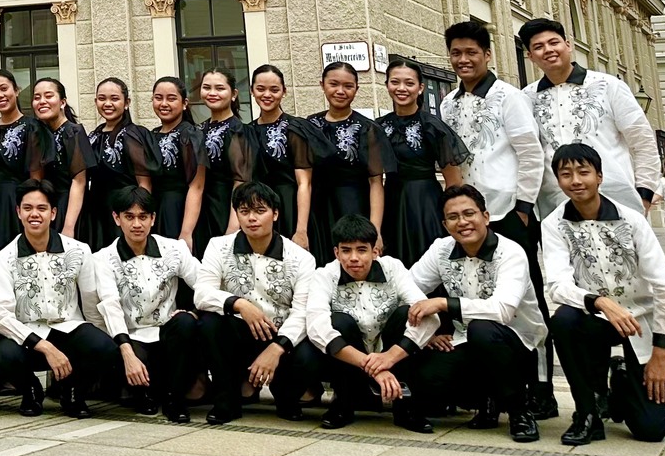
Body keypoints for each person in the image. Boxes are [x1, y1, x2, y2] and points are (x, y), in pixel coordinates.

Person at [442, 19, 554, 416]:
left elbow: (531, 152)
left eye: (471, 52)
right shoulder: (448, 103)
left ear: (487, 55)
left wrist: (524, 208)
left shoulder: (509, 97)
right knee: (477, 299)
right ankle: (490, 388)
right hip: (467, 217)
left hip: (508, 213)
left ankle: (541, 388)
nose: (463, 59)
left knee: (528, 301)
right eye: (456, 53)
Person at [541, 141, 665, 445]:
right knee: (563, 321)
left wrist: (661, 352)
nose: (576, 181)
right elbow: (558, 285)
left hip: (640, 319)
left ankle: (620, 381)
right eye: (566, 174)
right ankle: (587, 411)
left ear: (599, 176)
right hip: (594, 318)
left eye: (583, 172)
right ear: (558, 180)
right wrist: (599, 302)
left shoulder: (631, 220)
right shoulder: (553, 224)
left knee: (651, 430)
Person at [405, 184, 544, 442]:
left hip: (514, 341)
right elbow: (407, 288)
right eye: (453, 217)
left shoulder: (510, 252)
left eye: (469, 214)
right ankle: (483, 401)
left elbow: (502, 310)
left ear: (486, 216)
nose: (463, 222)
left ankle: (519, 411)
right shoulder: (441, 249)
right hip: (465, 340)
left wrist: (443, 304)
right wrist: (430, 331)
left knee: (482, 328)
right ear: (445, 224)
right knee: (429, 379)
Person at [0, 180, 122, 418]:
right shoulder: (3, 257)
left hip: (68, 328)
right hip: (27, 335)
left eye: (41, 208)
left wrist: (101, 341)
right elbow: (1, 316)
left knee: (105, 348)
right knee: (0, 355)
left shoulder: (78, 251)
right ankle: (30, 390)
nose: (34, 214)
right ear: (18, 212)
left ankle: (73, 391)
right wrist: (45, 346)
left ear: (53, 213)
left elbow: (91, 305)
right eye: (27, 208)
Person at [300, 214, 443, 432]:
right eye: (346, 250)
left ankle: (406, 408)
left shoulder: (393, 268)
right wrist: (373, 367)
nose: (354, 258)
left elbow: (430, 316)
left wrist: (389, 358)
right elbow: (316, 326)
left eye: (361, 250)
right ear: (336, 252)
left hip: (391, 354)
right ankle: (343, 404)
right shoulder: (325, 275)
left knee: (410, 313)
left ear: (375, 251)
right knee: (337, 321)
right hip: (350, 359)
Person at [193, 180, 320, 423]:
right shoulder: (218, 246)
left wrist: (277, 347)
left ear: (275, 214)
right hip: (241, 333)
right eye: (245, 211)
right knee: (210, 324)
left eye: (260, 211)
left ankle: (286, 396)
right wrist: (239, 304)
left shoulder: (301, 258)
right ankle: (226, 401)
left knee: (311, 350)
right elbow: (201, 293)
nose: (252, 218)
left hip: (283, 338)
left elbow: (303, 312)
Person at [522, 18, 661, 221]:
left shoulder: (607, 85)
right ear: (530, 56)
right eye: (539, 47)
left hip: (616, 201)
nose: (548, 50)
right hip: (556, 208)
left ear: (568, 45)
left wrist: (645, 194)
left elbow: (643, 142)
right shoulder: (527, 97)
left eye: (554, 42)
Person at [96, 186, 203, 423]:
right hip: (131, 337)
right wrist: (127, 352)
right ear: (117, 218)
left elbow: (205, 283)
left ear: (153, 219)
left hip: (166, 334)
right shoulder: (104, 258)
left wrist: (197, 312)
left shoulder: (174, 249)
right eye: (129, 217)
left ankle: (176, 400)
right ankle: (144, 391)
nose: (137, 224)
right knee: (139, 390)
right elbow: (110, 305)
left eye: (143, 217)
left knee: (185, 323)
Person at [379, 60, 468, 260]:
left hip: (425, 202)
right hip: (391, 199)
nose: (401, 88)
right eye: (395, 82)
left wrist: (450, 215)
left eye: (409, 83)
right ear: (387, 85)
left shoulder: (432, 126)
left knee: (426, 259)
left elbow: (453, 180)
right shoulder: (379, 126)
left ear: (420, 88)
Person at [304, 60, 390, 258]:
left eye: (348, 86)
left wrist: (375, 230)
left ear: (356, 89)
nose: (340, 91)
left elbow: (376, 182)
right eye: (334, 84)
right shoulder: (310, 124)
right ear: (322, 85)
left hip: (354, 205)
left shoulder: (368, 128)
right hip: (318, 209)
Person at [229, 64, 312, 244]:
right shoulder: (246, 131)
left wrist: (301, 230)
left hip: (290, 207)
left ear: (284, 92)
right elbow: (241, 180)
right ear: (251, 91)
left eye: (274, 90)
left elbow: (304, 183)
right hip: (256, 209)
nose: (267, 95)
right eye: (260, 89)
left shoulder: (295, 127)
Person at [0, 69, 47, 258]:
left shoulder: (32, 126)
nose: (0, 95)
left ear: (16, 90)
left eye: (4, 89)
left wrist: (31, 212)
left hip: (17, 204)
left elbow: (36, 178)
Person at [83, 77, 153, 251]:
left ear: (126, 102)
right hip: (95, 212)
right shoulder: (93, 135)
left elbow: (144, 183)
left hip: (125, 211)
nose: (107, 103)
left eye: (114, 99)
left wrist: (138, 217)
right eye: (102, 98)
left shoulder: (134, 135)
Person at [146, 76, 205, 243]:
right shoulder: (151, 135)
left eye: (171, 99)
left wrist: (186, 233)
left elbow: (197, 186)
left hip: (179, 210)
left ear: (184, 103)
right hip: (153, 210)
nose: (164, 104)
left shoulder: (190, 134)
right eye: (158, 98)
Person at [31, 78, 91, 240]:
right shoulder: (39, 133)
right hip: (46, 208)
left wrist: (68, 227)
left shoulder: (73, 132)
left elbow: (79, 182)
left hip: (69, 208)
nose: (42, 101)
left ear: (62, 102)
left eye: (49, 96)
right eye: (37, 97)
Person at [191, 66, 242, 252]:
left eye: (220, 88)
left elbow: (241, 181)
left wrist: (233, 226)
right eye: (206, 87)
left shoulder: (238, 130)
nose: (212, 93)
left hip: (225, 206)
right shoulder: (197, 130)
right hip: (198, 207)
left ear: (233, 93)